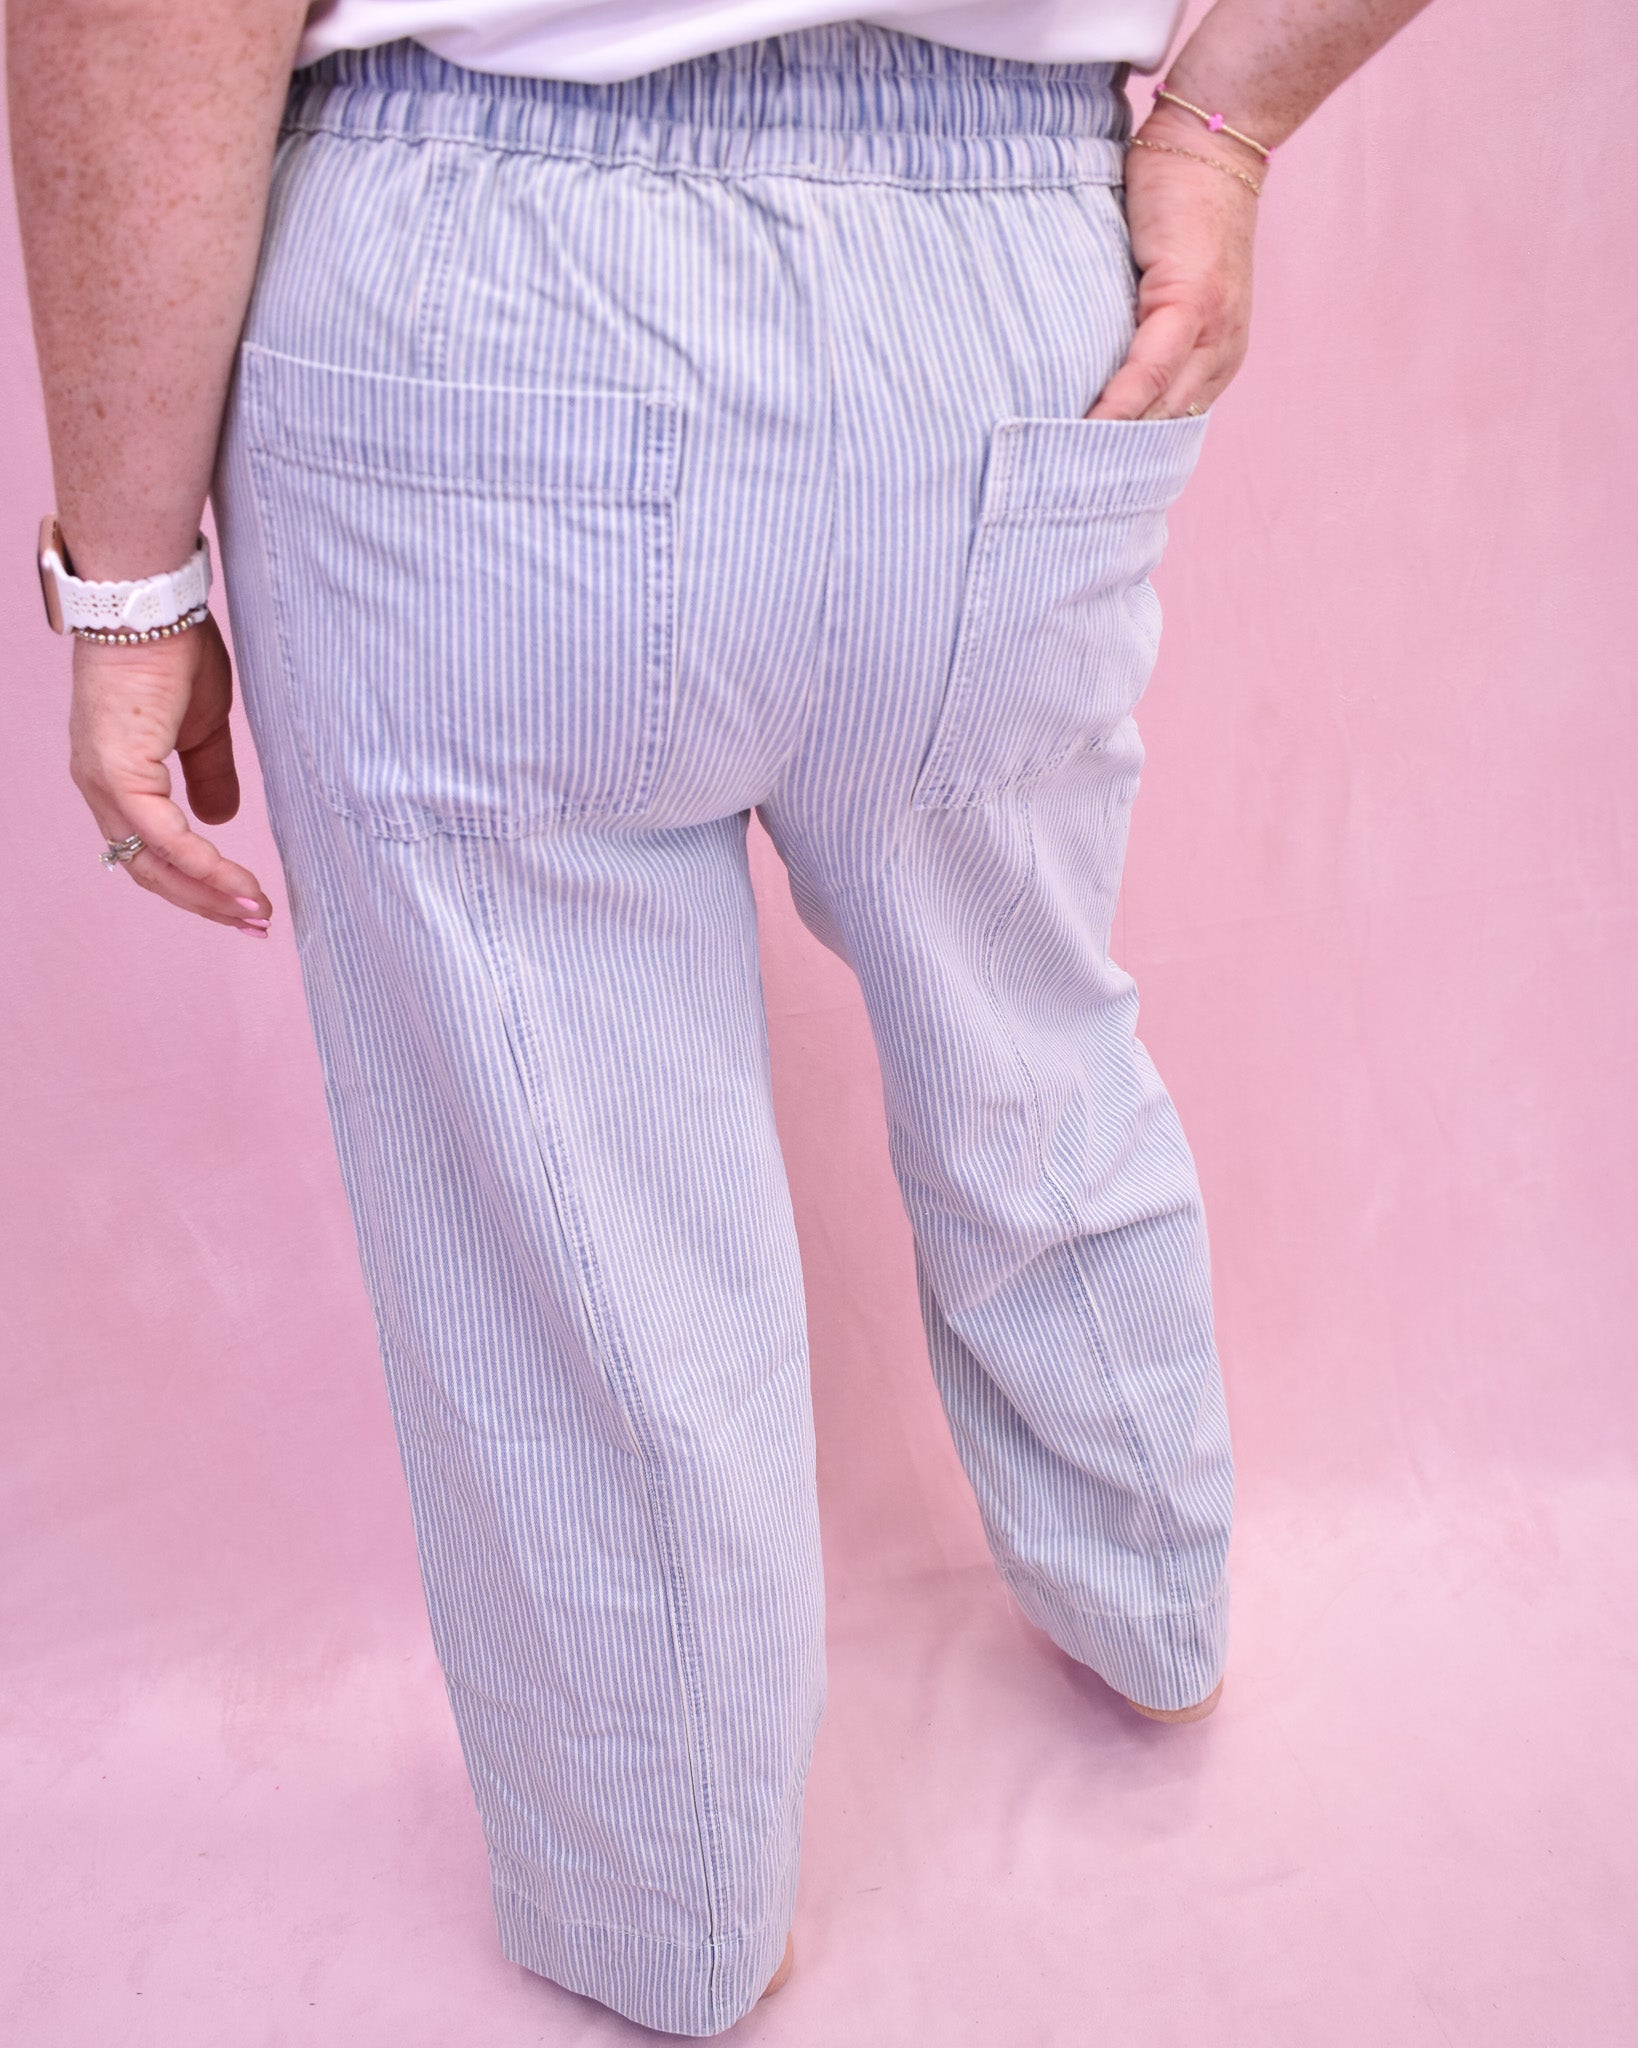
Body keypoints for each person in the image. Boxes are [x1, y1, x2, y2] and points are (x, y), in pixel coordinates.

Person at [9, 0, 1431, 2032]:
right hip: (1009, 265)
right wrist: (1225, 124)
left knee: (575, 1202)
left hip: (474, 285)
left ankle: (669, 1905)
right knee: (1025, 1023)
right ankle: (1155, 1607)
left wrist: (129, 586)